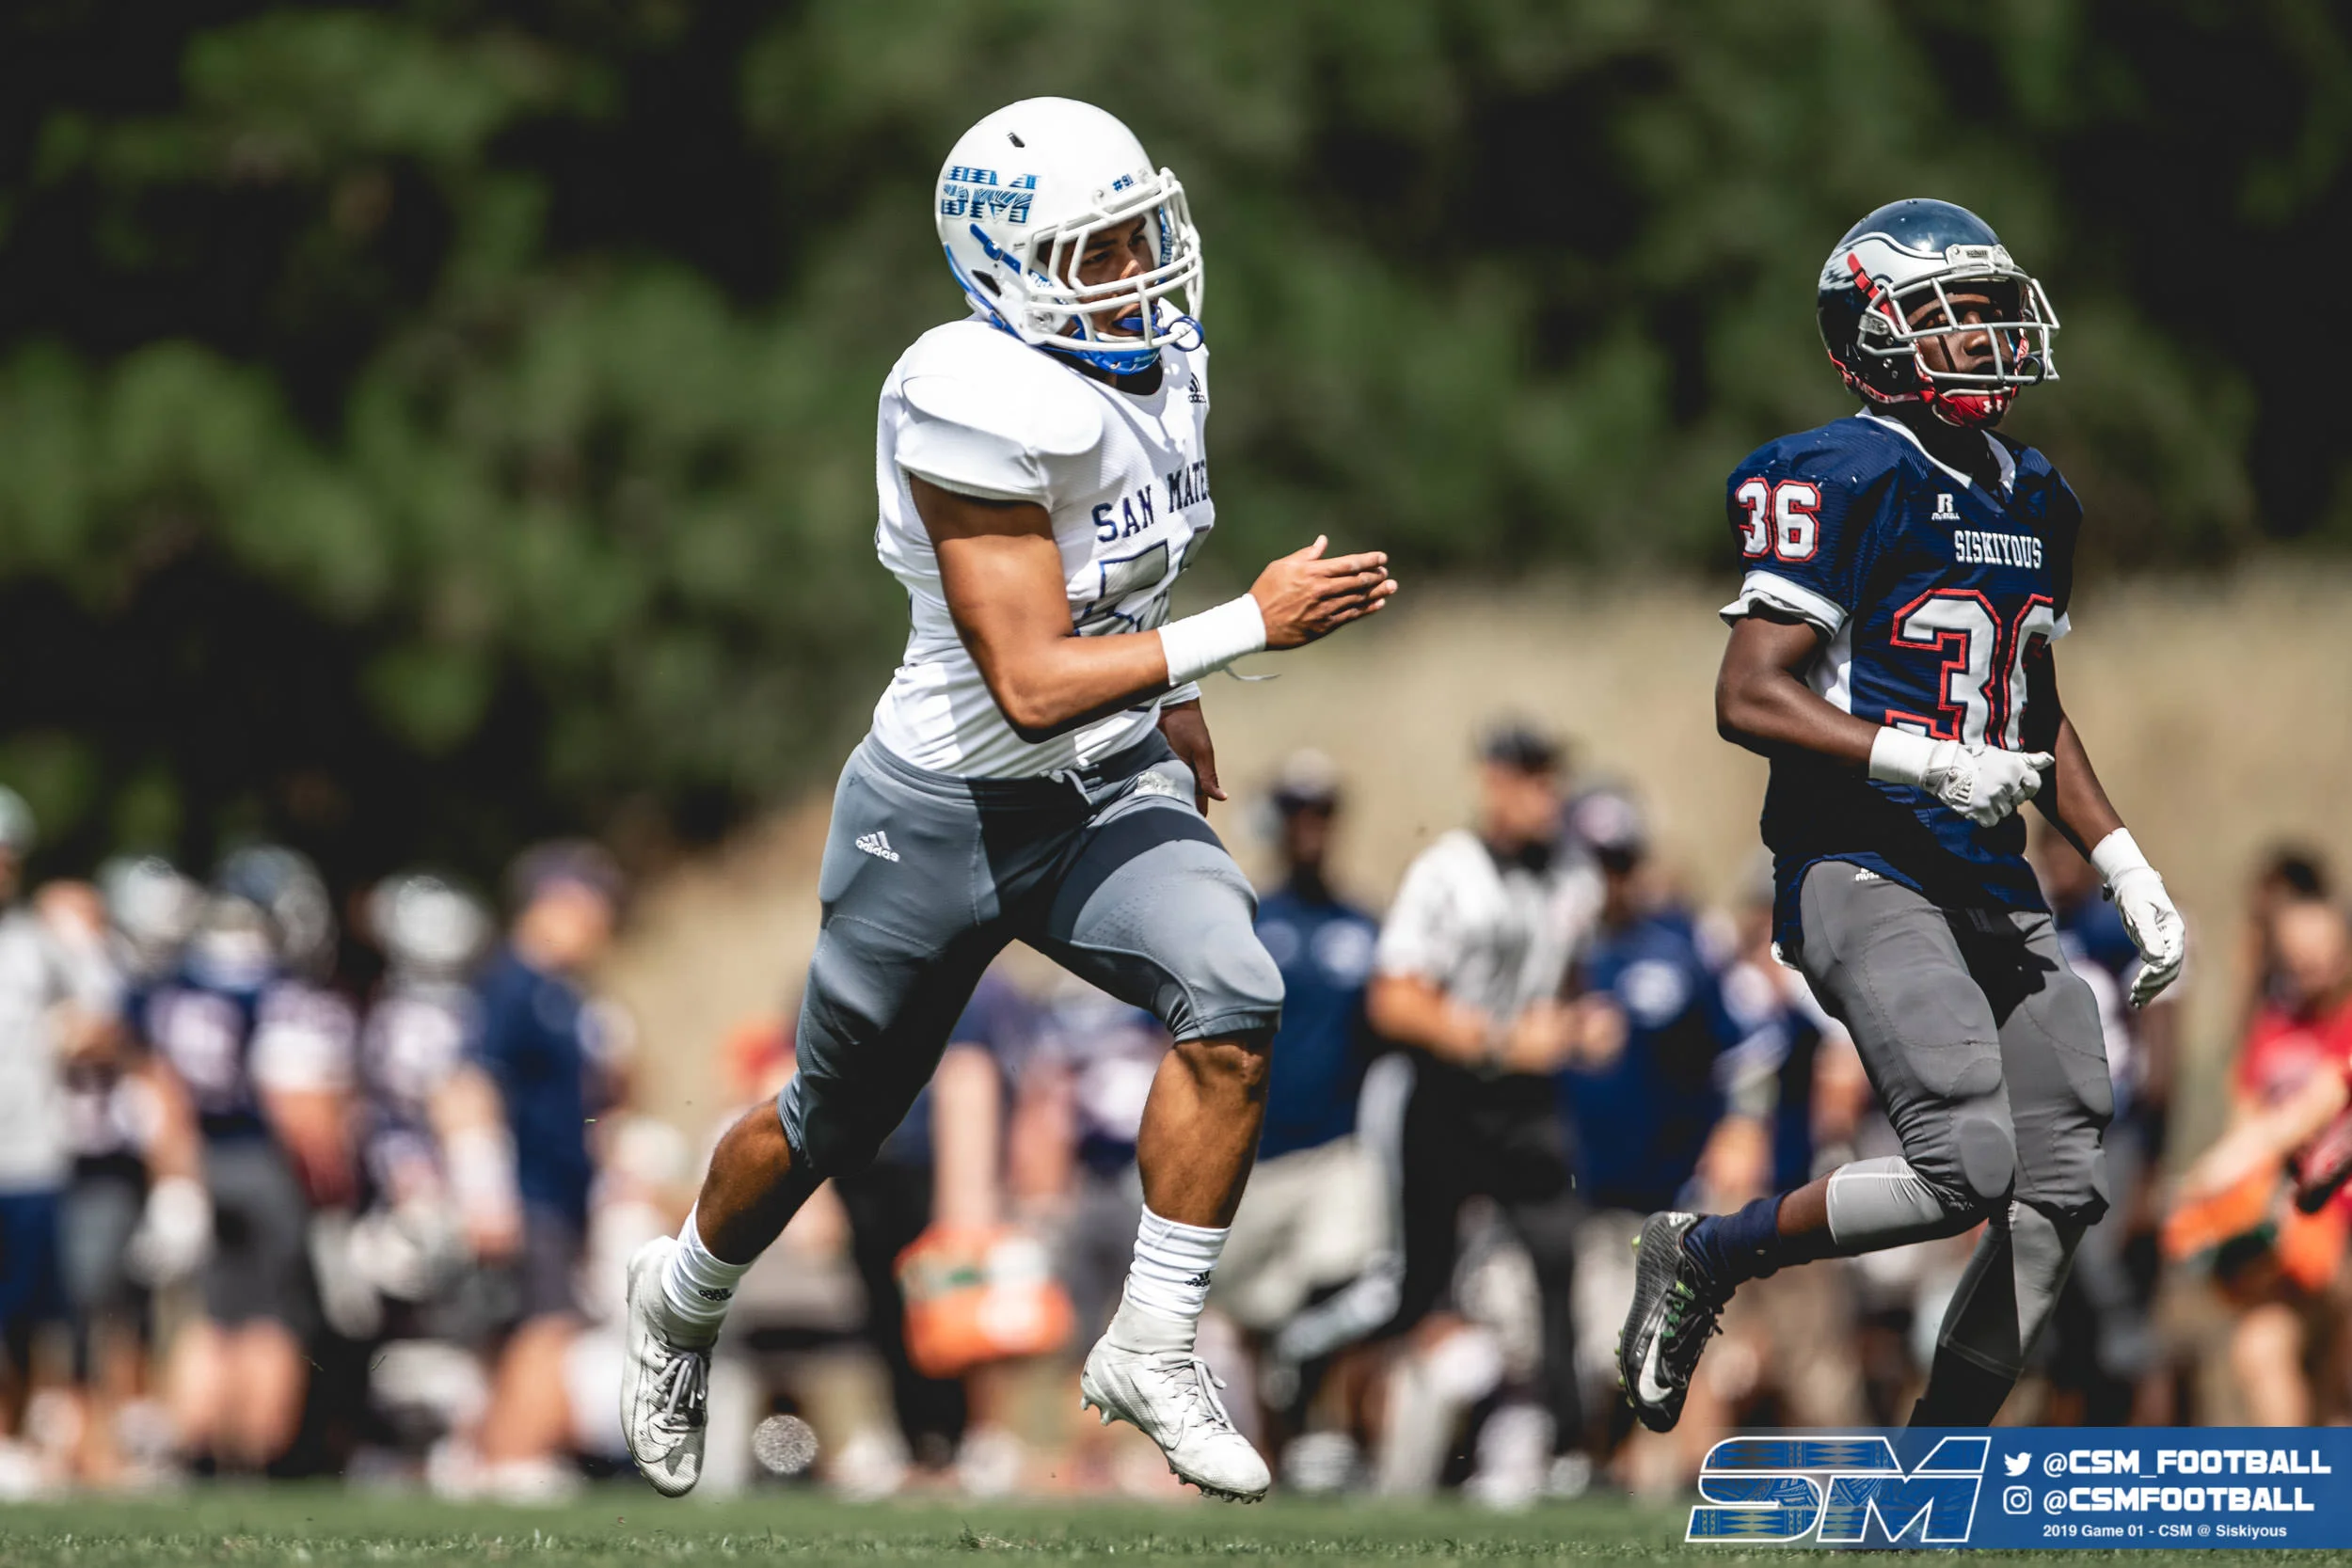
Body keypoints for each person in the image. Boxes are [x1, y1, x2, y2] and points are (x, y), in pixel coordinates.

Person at [618, 95, 1396, 1504]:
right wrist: (1249, 627)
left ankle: (1153, 1342)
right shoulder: (965, 393)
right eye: (1098, 253)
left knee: (1237, 992)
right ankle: (678, 1299)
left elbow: (1124, 568)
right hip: (941, 807)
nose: (1138, 271)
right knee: (830, 1118)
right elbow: (1031, 678)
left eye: (1140, 234)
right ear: (1003, 268)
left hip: (1100, 783)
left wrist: (1175, 695)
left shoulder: (1165, 360)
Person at [1618, 198, 2186, 1434]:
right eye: (1953, 312)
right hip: (1860, 855)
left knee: (2063, 1178)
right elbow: (1746, 692)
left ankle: (1939, 1467)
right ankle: (1707, 1251)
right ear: (1871, 335)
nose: (1986, 333)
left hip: (1988, 870)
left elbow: (2032, 706)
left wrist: (2125, 862)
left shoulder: (2037, 493)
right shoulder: (1842, 472)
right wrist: (1922, 760)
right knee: (1965, 1162)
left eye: (1991, 308)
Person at [1364, 723, 1598, 1503]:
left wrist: (1581, 1024)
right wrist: (1500, 1039)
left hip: (1528, 1105)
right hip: (1448, 1095)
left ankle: (1565, 1447)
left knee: (1558, 1261)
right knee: (1422, 1280)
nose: (1548, 794)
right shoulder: (1447, 872)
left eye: (1552, 776)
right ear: (1494, 781)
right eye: (1532, 776)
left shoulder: (1572, 874)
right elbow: (1394, 999)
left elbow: (1570, 985)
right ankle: (1384, 1454)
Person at [143, 846, 357, 1473]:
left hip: (196, 1162)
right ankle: (254, 1462)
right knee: (268, 1321)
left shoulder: (175, 984)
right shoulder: (283, 992)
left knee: (210, 1319)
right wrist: (337, 1197)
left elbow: (158, 1090)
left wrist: (175, 1180)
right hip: (266, 1165)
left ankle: (193, 1459)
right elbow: (300, 1109)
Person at [1213, 753, 1387, 1450]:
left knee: (1347, 1290)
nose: (1311, 826)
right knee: (1257, 1315)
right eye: (1298, 812)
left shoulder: (1366, 928)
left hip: (1338, 1151)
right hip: (1256, 1154)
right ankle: (1276, 1457)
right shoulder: (1246, 921)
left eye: (1323, 812)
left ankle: (1343, 1443)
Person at [441, 843, 625, 1487]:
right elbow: (469, 1085)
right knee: (547, 1323)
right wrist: (484, 1191)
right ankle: (515, 1461)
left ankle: (494, 1458)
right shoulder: (512, 985)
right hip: (528, 1189)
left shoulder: (565, 992)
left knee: (541, 1323)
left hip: (560, 1189)